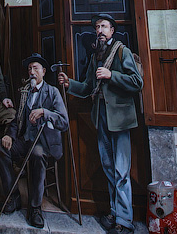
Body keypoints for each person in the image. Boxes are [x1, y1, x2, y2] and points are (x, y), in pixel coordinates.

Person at [58, 14, 143, 234]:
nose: (100, 30)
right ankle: (115, 212)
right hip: (102, 117)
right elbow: (88, 87)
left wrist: (111, 74)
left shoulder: (122, 51)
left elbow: (137, 82)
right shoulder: (96, 55)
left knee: (121, 171)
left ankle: (125, 222)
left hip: (120, 119)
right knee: (108, 167)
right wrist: (69, 84)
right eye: (97, 27)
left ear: (112, 30)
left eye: (104, 26)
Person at [0, 54, 68, 229]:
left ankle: (35, 208)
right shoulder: (25, 92)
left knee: (37, 153)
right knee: (0, 147)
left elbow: (64, 122)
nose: (32, 72)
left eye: (35, 68)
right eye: (29, 69)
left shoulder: (53, 92)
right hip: (26, 140)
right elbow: (16, 120)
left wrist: (44, 112)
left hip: (44, 142)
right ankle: (13, 197)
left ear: (43, 71)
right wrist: (9, 135)